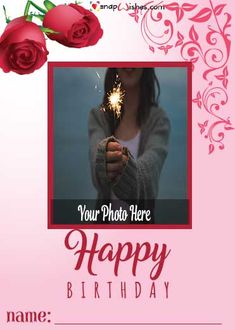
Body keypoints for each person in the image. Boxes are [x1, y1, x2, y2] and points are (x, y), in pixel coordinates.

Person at [88, 68, 170, 223]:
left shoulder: (158, 120)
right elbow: (95, 160)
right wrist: (103, 158)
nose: (129, 64)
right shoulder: (98, 116)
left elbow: (153, 164)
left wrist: (127, 169)